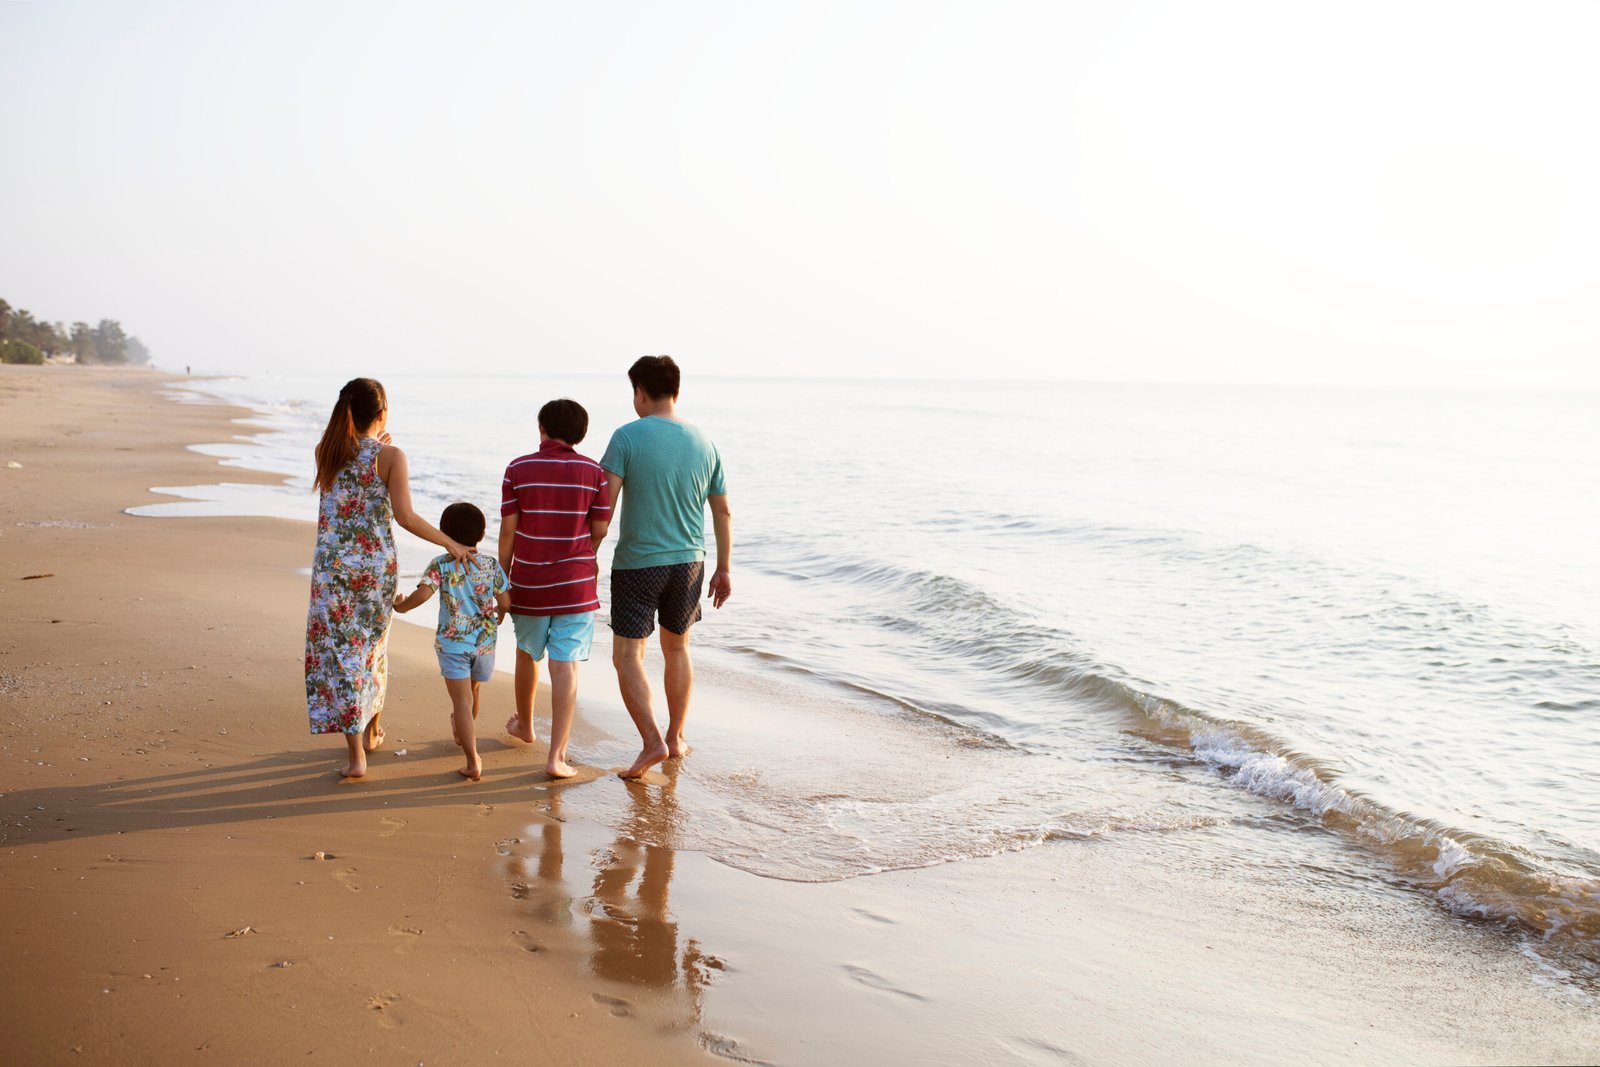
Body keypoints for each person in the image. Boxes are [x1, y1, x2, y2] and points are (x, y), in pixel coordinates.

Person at [303, 377, 471, 779]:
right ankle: (373, 729)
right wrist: (451, 542)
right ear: (381, 413)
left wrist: (377, 444)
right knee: (372, 650)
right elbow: (406, 516)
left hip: (332, 572)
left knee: (343, 655)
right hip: (374, 571)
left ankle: (358, 753)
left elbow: (353, 469)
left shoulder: (325, 451)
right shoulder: (392, 456)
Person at [599, 356, 732, 780]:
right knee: (677, 649)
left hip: (639, 562)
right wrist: (723, 568)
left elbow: (604, 509)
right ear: (677, 391)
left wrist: (587, 550)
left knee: (628, 654)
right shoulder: (704, 441)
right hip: (691, 562)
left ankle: (651, 741)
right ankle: (675, 737)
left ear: (640, 392)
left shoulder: (626, 437)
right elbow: (723, 513)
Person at [498, 398, 611, 779]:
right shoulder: (594, 472)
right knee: (566, 666)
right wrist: (584, 555)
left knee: (527, 652)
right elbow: (600, 529)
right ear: (580, 434)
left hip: (528, 582)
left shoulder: (518, 468)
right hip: (576, 587)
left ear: (541, 429)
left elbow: (509, 530)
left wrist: (503, 579)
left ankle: (526, 726)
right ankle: (557, 757)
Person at [393, 502, 511, 781]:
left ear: (444, 532)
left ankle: (473, 760)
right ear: (481, 535)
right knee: (474, 692)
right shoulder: (491, 565)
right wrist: (501, 614)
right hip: (484, 645)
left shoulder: (441, 564)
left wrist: (401, 607)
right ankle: (464, 730)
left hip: (453, 644)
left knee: (461, 701)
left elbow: (422, 595)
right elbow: (505, 600)